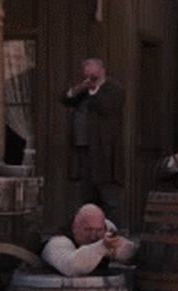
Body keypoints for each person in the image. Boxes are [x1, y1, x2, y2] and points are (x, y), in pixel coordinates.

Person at [61, 58, 125, 225]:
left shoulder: (113, 88)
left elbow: (107, 107)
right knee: (86, 200)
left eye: (93, 76)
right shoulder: (84, 91)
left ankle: (112, 231)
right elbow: (65, 98)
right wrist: (81, 87)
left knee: (109, 199)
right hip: (83, 151)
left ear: (102, 72)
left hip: (105, 154)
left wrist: (95, 89)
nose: (89, 79)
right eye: (87, 76)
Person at [42, 203, 137, 277]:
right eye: (88, 230)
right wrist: (103, 247)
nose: (93, 236)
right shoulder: (57, 243)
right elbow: (72, 267)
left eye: (98, 230)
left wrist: (117, 246)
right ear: (74, 228)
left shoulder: (107, 231)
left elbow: (133, 256)